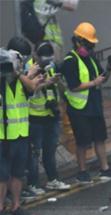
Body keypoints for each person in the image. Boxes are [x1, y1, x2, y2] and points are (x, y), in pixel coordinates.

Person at [61, 22, 111, 184]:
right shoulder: (70, 61)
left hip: (94, 105)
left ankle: (105, 169)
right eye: (87, 45)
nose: (89, 49)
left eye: (91, 46)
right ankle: (82, 172)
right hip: (79, 108)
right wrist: (94, 83)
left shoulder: (91, 58)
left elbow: (101, 79)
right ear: (77, 42)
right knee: (82, 141)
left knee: (100, 138)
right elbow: (74, 86)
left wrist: (109, 68)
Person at [1, 38, 45, 215]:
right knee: (2, 174)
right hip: (3, 135)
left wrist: (19, 73)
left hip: (20, 133)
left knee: (18, 172)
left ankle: (16, 205)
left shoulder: (22, 79)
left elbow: (32, 87)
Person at [25, 41, 70, 196]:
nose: (47, 62)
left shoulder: (50, 66)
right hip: (35, 118)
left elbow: (59, 88)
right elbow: (26, 90)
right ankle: (32, 183)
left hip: (51, 115)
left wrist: (57, 82)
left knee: (50, 150)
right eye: (44, 59)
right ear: (35, 55)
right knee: (34, 153)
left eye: (49, 59)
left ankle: (53, 179)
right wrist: (45, 83)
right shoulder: (28, 69)